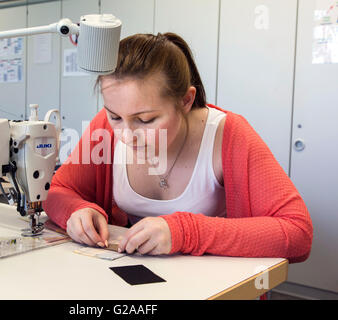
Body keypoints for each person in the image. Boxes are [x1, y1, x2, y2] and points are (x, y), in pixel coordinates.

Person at [43, 33, 313, 263]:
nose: (125, 135)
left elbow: (297, 232)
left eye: (146, 120)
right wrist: (76, 211)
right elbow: (58, 191)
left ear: (186, 100)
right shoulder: (106, 127)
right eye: (115, 117)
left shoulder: (228, 134)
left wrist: (185, 232)